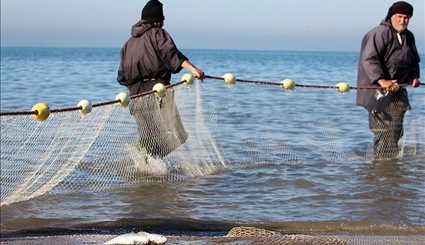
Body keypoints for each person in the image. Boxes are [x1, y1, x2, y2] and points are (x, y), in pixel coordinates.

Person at [117, 0, 204, 161]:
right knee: (179, 135)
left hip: (136, 99)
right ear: (157, 20)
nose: (163, 23)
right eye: (162, 19)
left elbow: (122, 76)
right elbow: (172, 55)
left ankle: (145, 165)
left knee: (148, 140)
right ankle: (147, 158)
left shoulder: (128, 44)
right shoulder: (158, 34)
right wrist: (194, 70)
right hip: (158, 93)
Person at [357, 1, 421, 160]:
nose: (402, 21)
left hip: (398, 91)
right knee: (383, 132)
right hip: (377, 92)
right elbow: (369, 60)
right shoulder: (379, 33)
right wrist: (382, 80)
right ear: (391, 16)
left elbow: (413, 60)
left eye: (406, 18)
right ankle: (380, 174)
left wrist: (414, 77)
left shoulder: (409, 36)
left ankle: (390, 176)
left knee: (395, 132)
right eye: (399, 16)